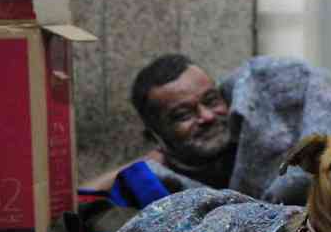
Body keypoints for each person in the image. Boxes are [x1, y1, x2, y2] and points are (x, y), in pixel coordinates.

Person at [80, 54, 236, 192]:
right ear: (155, 135)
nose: (207, 117)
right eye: (183, 115)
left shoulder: (250, 139)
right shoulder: (150, 187)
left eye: (211, 101)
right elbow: (79, 201)